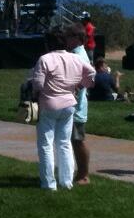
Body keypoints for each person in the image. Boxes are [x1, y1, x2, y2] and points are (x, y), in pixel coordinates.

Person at [27, 26, 95, 191]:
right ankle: (66, 181)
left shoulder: (45, 59)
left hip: (49, 104)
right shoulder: (75, 58)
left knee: (46, 145)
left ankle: (49, 183)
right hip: (69, 104)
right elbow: (91, 73)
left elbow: (38, 84)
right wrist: (80, 85)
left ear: (48, 44)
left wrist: (35, 92)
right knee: (64, 143)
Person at [67, 25, 95, 185]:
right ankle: (79, 172)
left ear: (77, 38)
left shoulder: (78, 56)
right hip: (75, 105)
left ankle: (84, 174)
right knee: (74, 140)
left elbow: (82, 81)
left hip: (77, 107)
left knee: (78, 140)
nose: (66, 39)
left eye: (69, 36)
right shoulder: (76, 54)